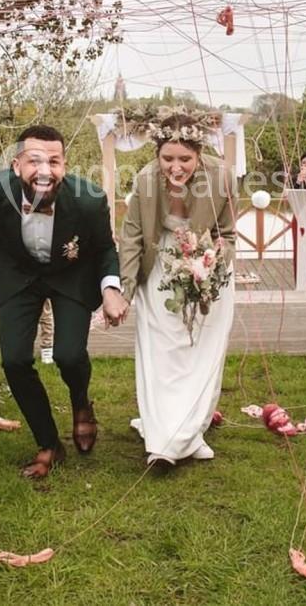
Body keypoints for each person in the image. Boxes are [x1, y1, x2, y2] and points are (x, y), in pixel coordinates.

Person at [0, 125, 127, 479]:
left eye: (54, 161)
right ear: (16, 164)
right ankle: (49, 443)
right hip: (18, 272)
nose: (44, 171)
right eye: (34, 161)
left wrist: (111, 289)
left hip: (70, 273)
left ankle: (81, 402)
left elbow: (104, 249)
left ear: (64, 166)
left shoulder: (90, 199)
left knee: (69, 355)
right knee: (14, 359)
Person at [118, 114, 237, 465]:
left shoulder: (222, 177)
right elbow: (132, 237)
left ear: (199, 153)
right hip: (160, 264)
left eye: (184, 159)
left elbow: (227, 234)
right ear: (157, 154)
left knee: (203, 349)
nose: (176, 166)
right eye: (167, 158)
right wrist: (125, 290)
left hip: (207, 264)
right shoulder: (144, 179)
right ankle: (162, 436)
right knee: (162, 348)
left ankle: (190, 430)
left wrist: (213, 260)